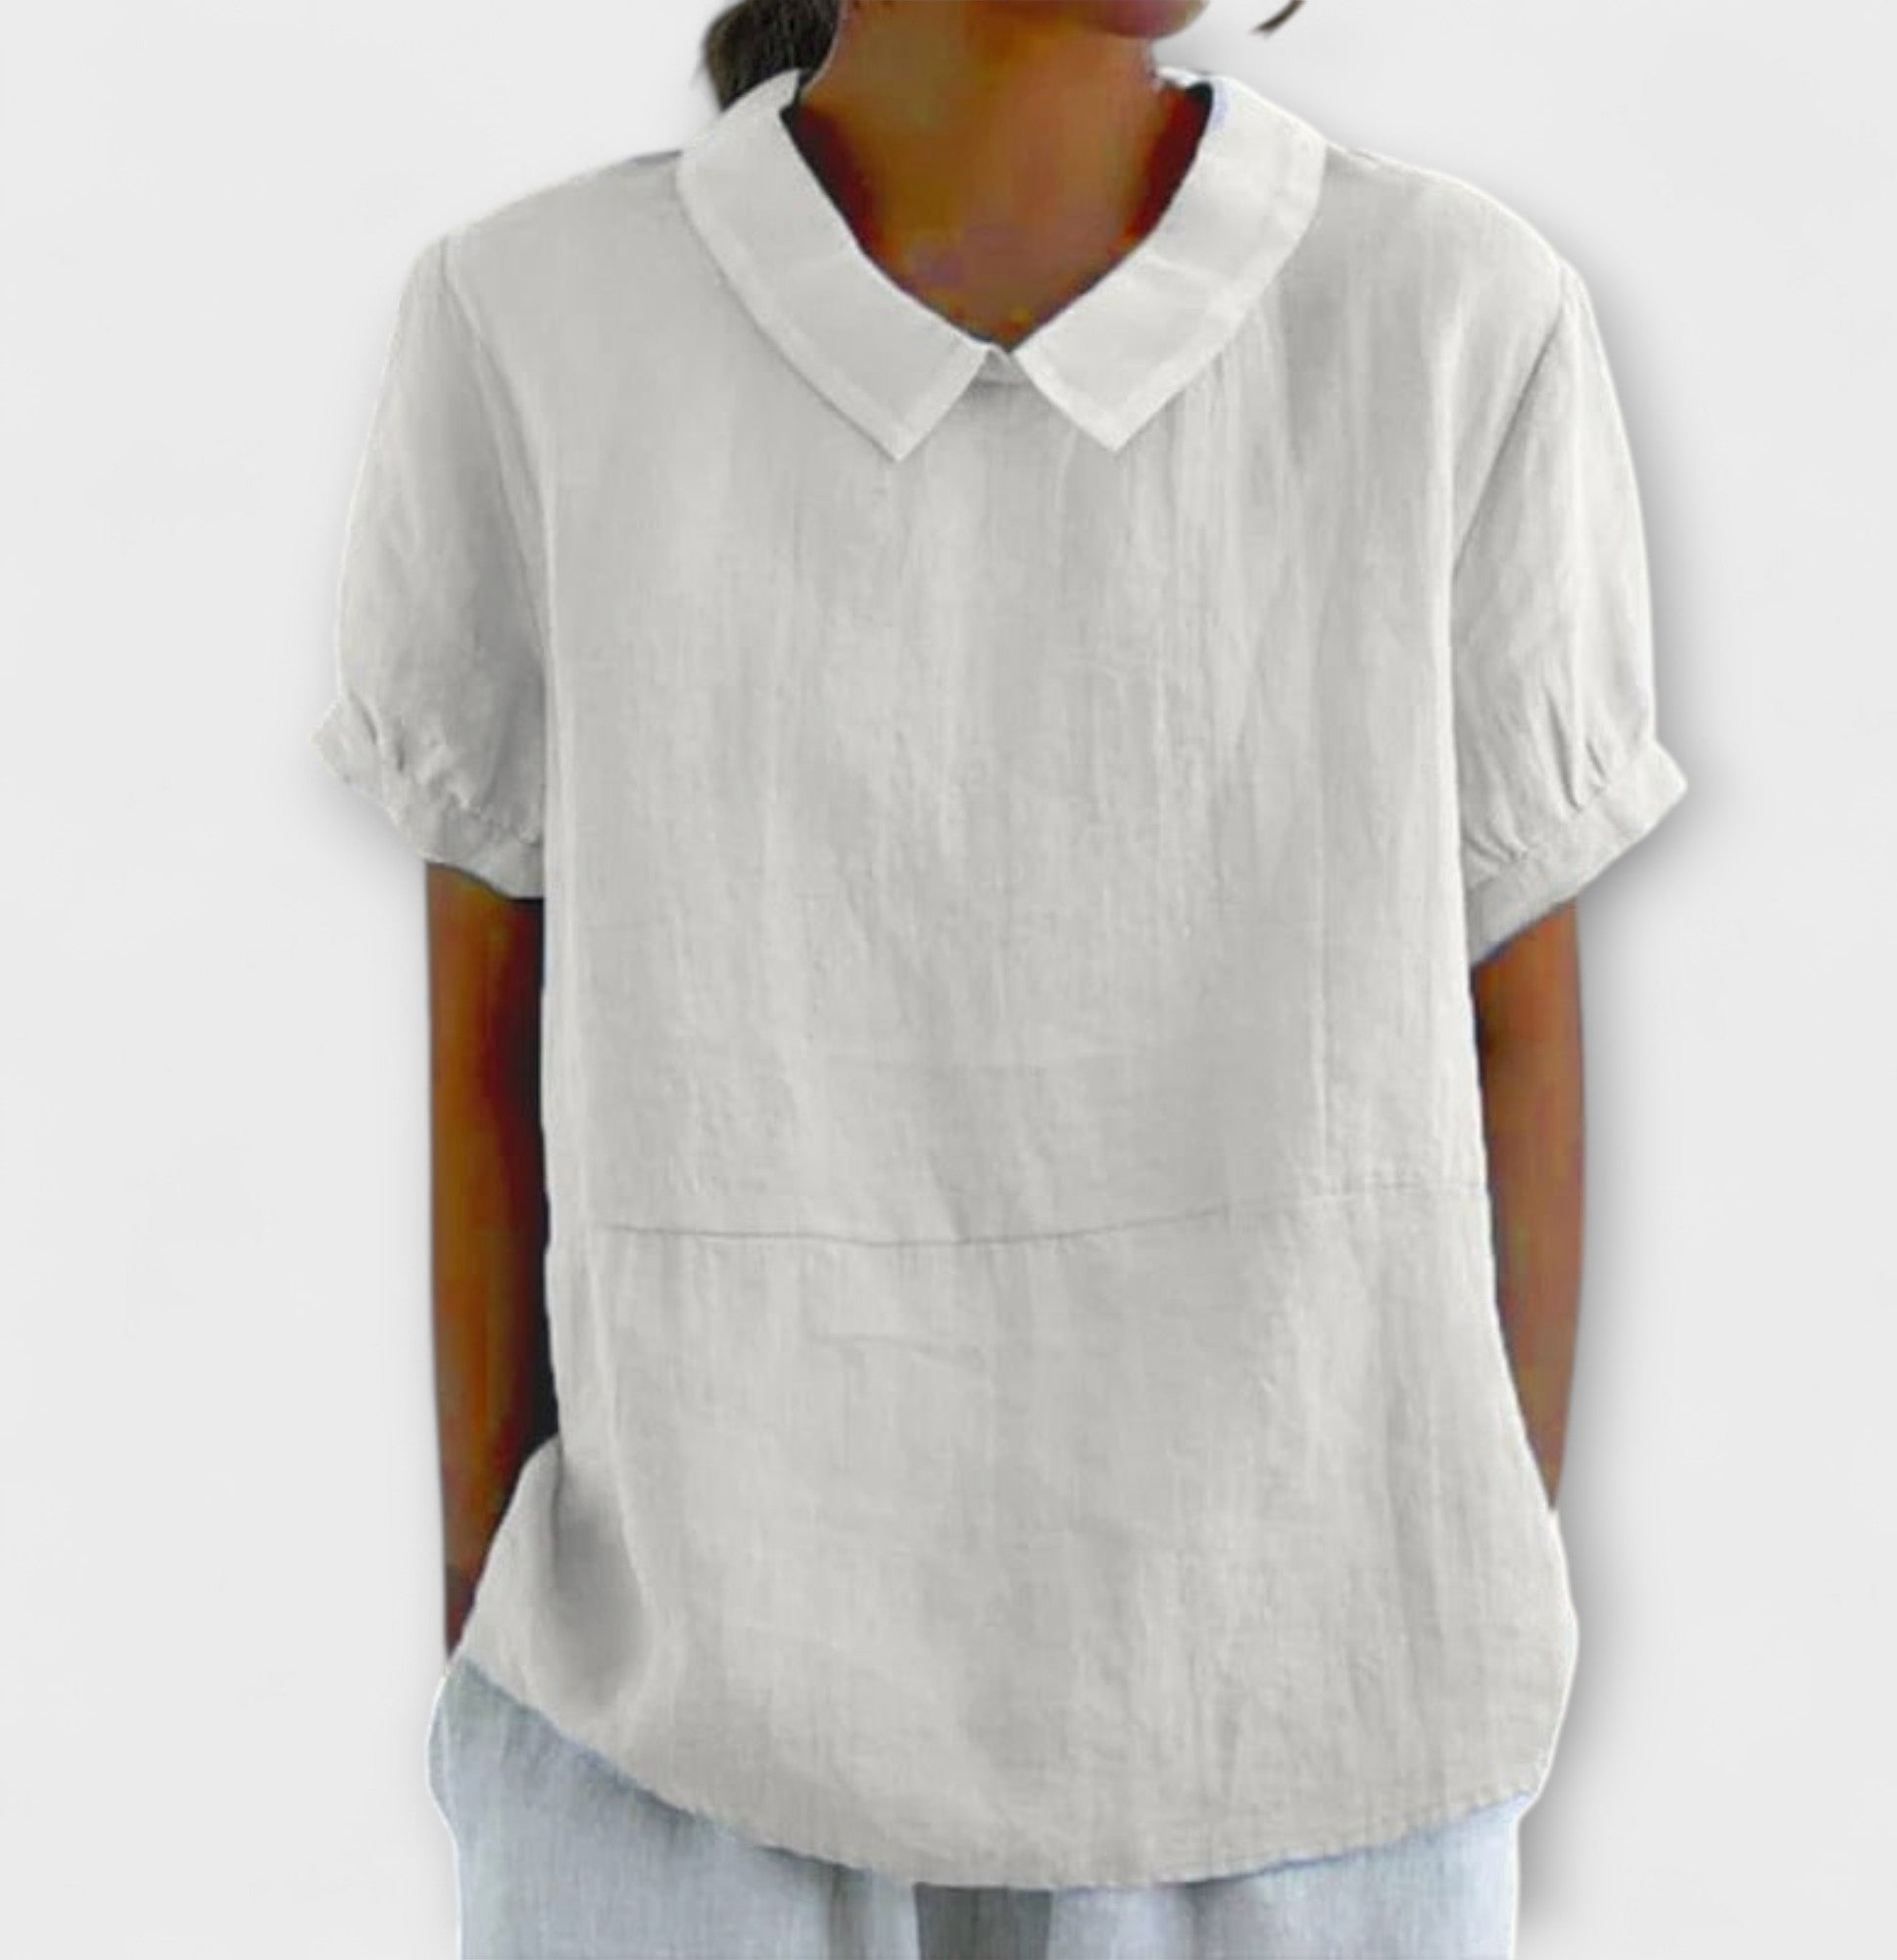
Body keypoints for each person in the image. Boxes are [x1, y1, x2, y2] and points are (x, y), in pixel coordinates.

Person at [309, 0, 1689, 1953]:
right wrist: (505, 1660)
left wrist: (1420, 1594)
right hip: (669, 1758)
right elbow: (490, 1055)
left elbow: (1510, 1037)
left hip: (1321, 1761)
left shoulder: (1448, 320)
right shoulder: (540, 329)